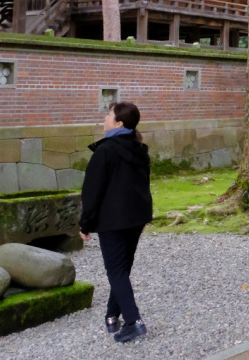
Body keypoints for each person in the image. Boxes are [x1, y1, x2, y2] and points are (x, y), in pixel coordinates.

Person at [79, 101, 153, 343]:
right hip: (135, 218)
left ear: (119, 123)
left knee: (116, 270)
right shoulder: (139, 148)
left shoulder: (105, 151)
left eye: (108, 115)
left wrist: (85, 224)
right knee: (122, 268)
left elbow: (92, 191)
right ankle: (112, 316)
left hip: (113, 221)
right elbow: (144, 186)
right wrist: (144, 216)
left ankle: (133, 322)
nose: (104, 119)